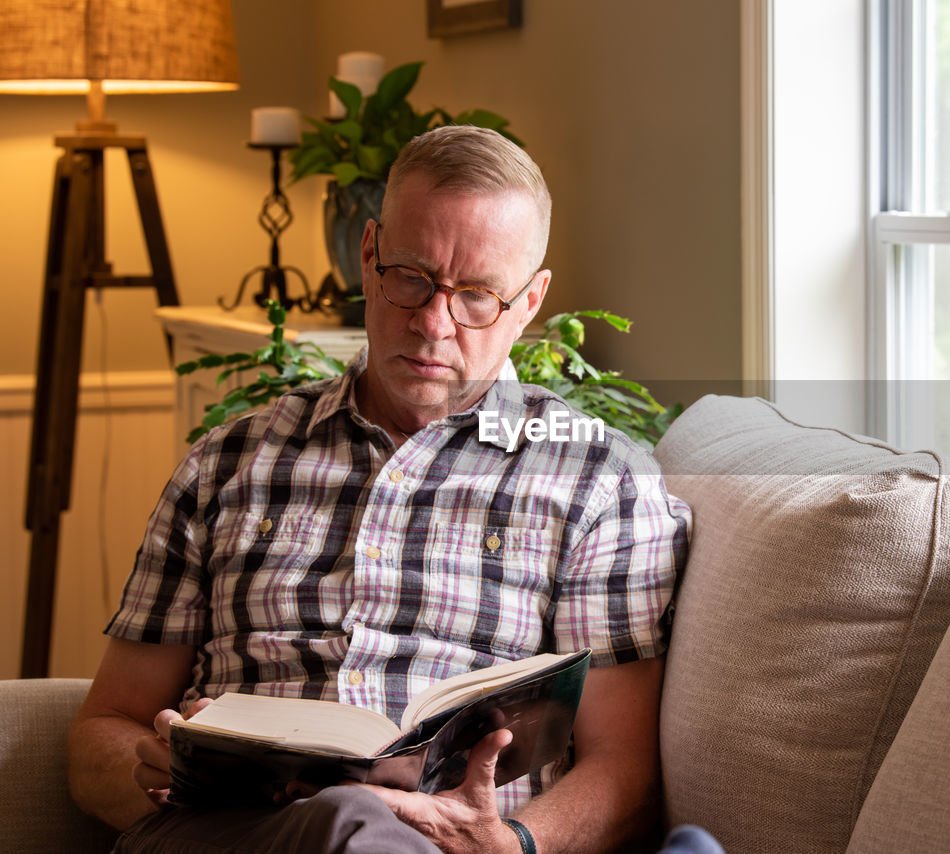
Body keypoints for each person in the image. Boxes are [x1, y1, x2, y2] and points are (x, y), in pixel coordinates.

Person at [68, 125, 694, 854]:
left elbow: (624, 769)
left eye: (478, 297)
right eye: (412, 278)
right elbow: (100, 731)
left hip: (440, 843)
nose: (433, 323)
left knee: (361, 828)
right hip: (219, 832)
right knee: (347, 821)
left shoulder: (599, 484)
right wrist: (144, 767)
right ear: (369, 256)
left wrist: (516, 845)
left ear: (529, 302)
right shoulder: (228, 463)